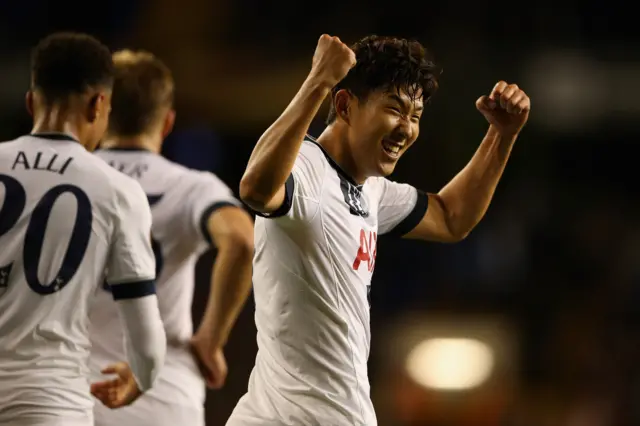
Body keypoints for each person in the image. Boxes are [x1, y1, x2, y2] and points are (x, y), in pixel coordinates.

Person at [229, 34, 531, 426]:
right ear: (344, 105)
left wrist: (502, 135)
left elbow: (452, 217)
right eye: (395, 109)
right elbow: (254, 188)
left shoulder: (369, 190)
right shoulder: (305, 168)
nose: (406, 129)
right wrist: (319, 79)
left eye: (416, 116)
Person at [0, 33, 167, 426]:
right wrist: (142, 377)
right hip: (48, 401)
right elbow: (146, 339)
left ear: (31, 102)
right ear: (99, 105)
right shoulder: (117, 191)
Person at [89, 49, 254, 426]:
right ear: (167, 122)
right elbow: (242, 240)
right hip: (163, 395)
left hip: (72, 396)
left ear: (99, 111)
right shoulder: (191, 186)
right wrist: (211, 340)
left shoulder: (69, 182)